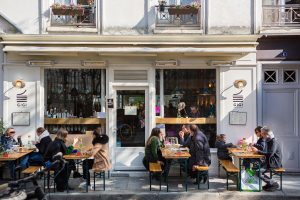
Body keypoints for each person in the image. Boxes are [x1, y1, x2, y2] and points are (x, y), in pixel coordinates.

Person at [251, 126, 282, 192]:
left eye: (262, 133)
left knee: (257, 171)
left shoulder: (273, 142)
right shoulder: (269, 141)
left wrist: (257, 151)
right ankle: (270, 183)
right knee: (255, 167)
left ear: (266, 134)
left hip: (274, 163)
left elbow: (270, 153)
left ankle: (273, 183)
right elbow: (267, 152)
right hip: (269, 161)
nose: (261, 135)